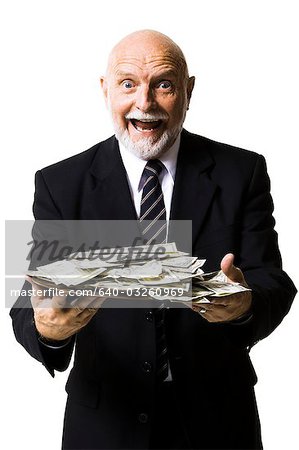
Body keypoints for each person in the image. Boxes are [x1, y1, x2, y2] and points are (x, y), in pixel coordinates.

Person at [10, 29, 296, 450]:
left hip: (217, 421)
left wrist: (243, 305)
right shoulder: (60, 183)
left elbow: (274, 281)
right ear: (105, 90)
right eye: (128, 84)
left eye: (163, 85)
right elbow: (28, 301)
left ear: (188, 91)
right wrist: (49, 330)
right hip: (106, 422)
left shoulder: (242, 172)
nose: (144, 103)